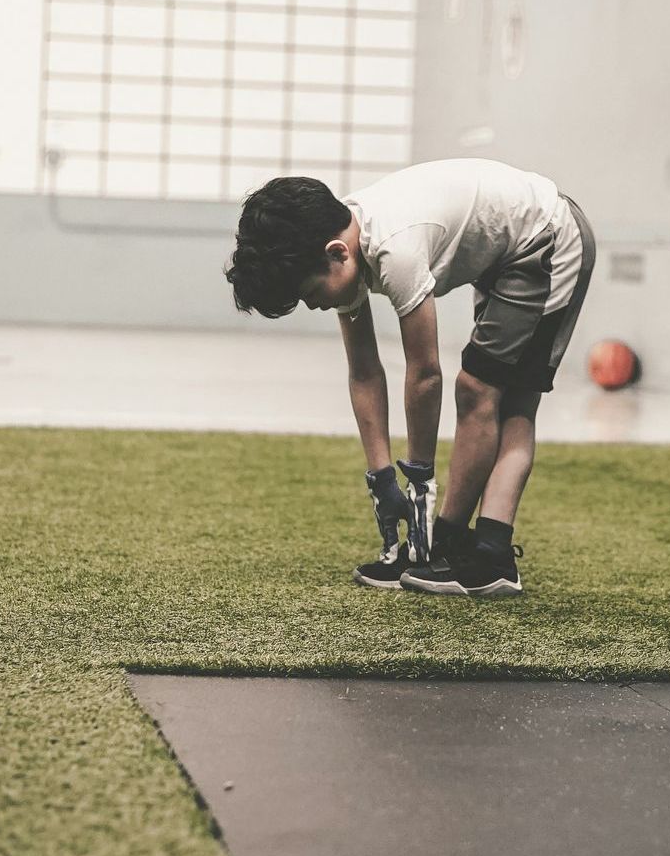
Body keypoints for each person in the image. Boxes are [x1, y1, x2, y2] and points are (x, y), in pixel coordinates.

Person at [225, 158, 595, 597]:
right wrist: (382, 478)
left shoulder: (394, 250)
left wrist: (419, 481)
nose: (313, 306)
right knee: (492, 392)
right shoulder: (339, 240)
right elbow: (364, 372)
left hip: (548, 237)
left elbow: (425, 373)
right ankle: (458, 550)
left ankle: (475, 552)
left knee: (489, 392)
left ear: (336, 254)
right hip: (506, 254)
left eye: (310, 294)